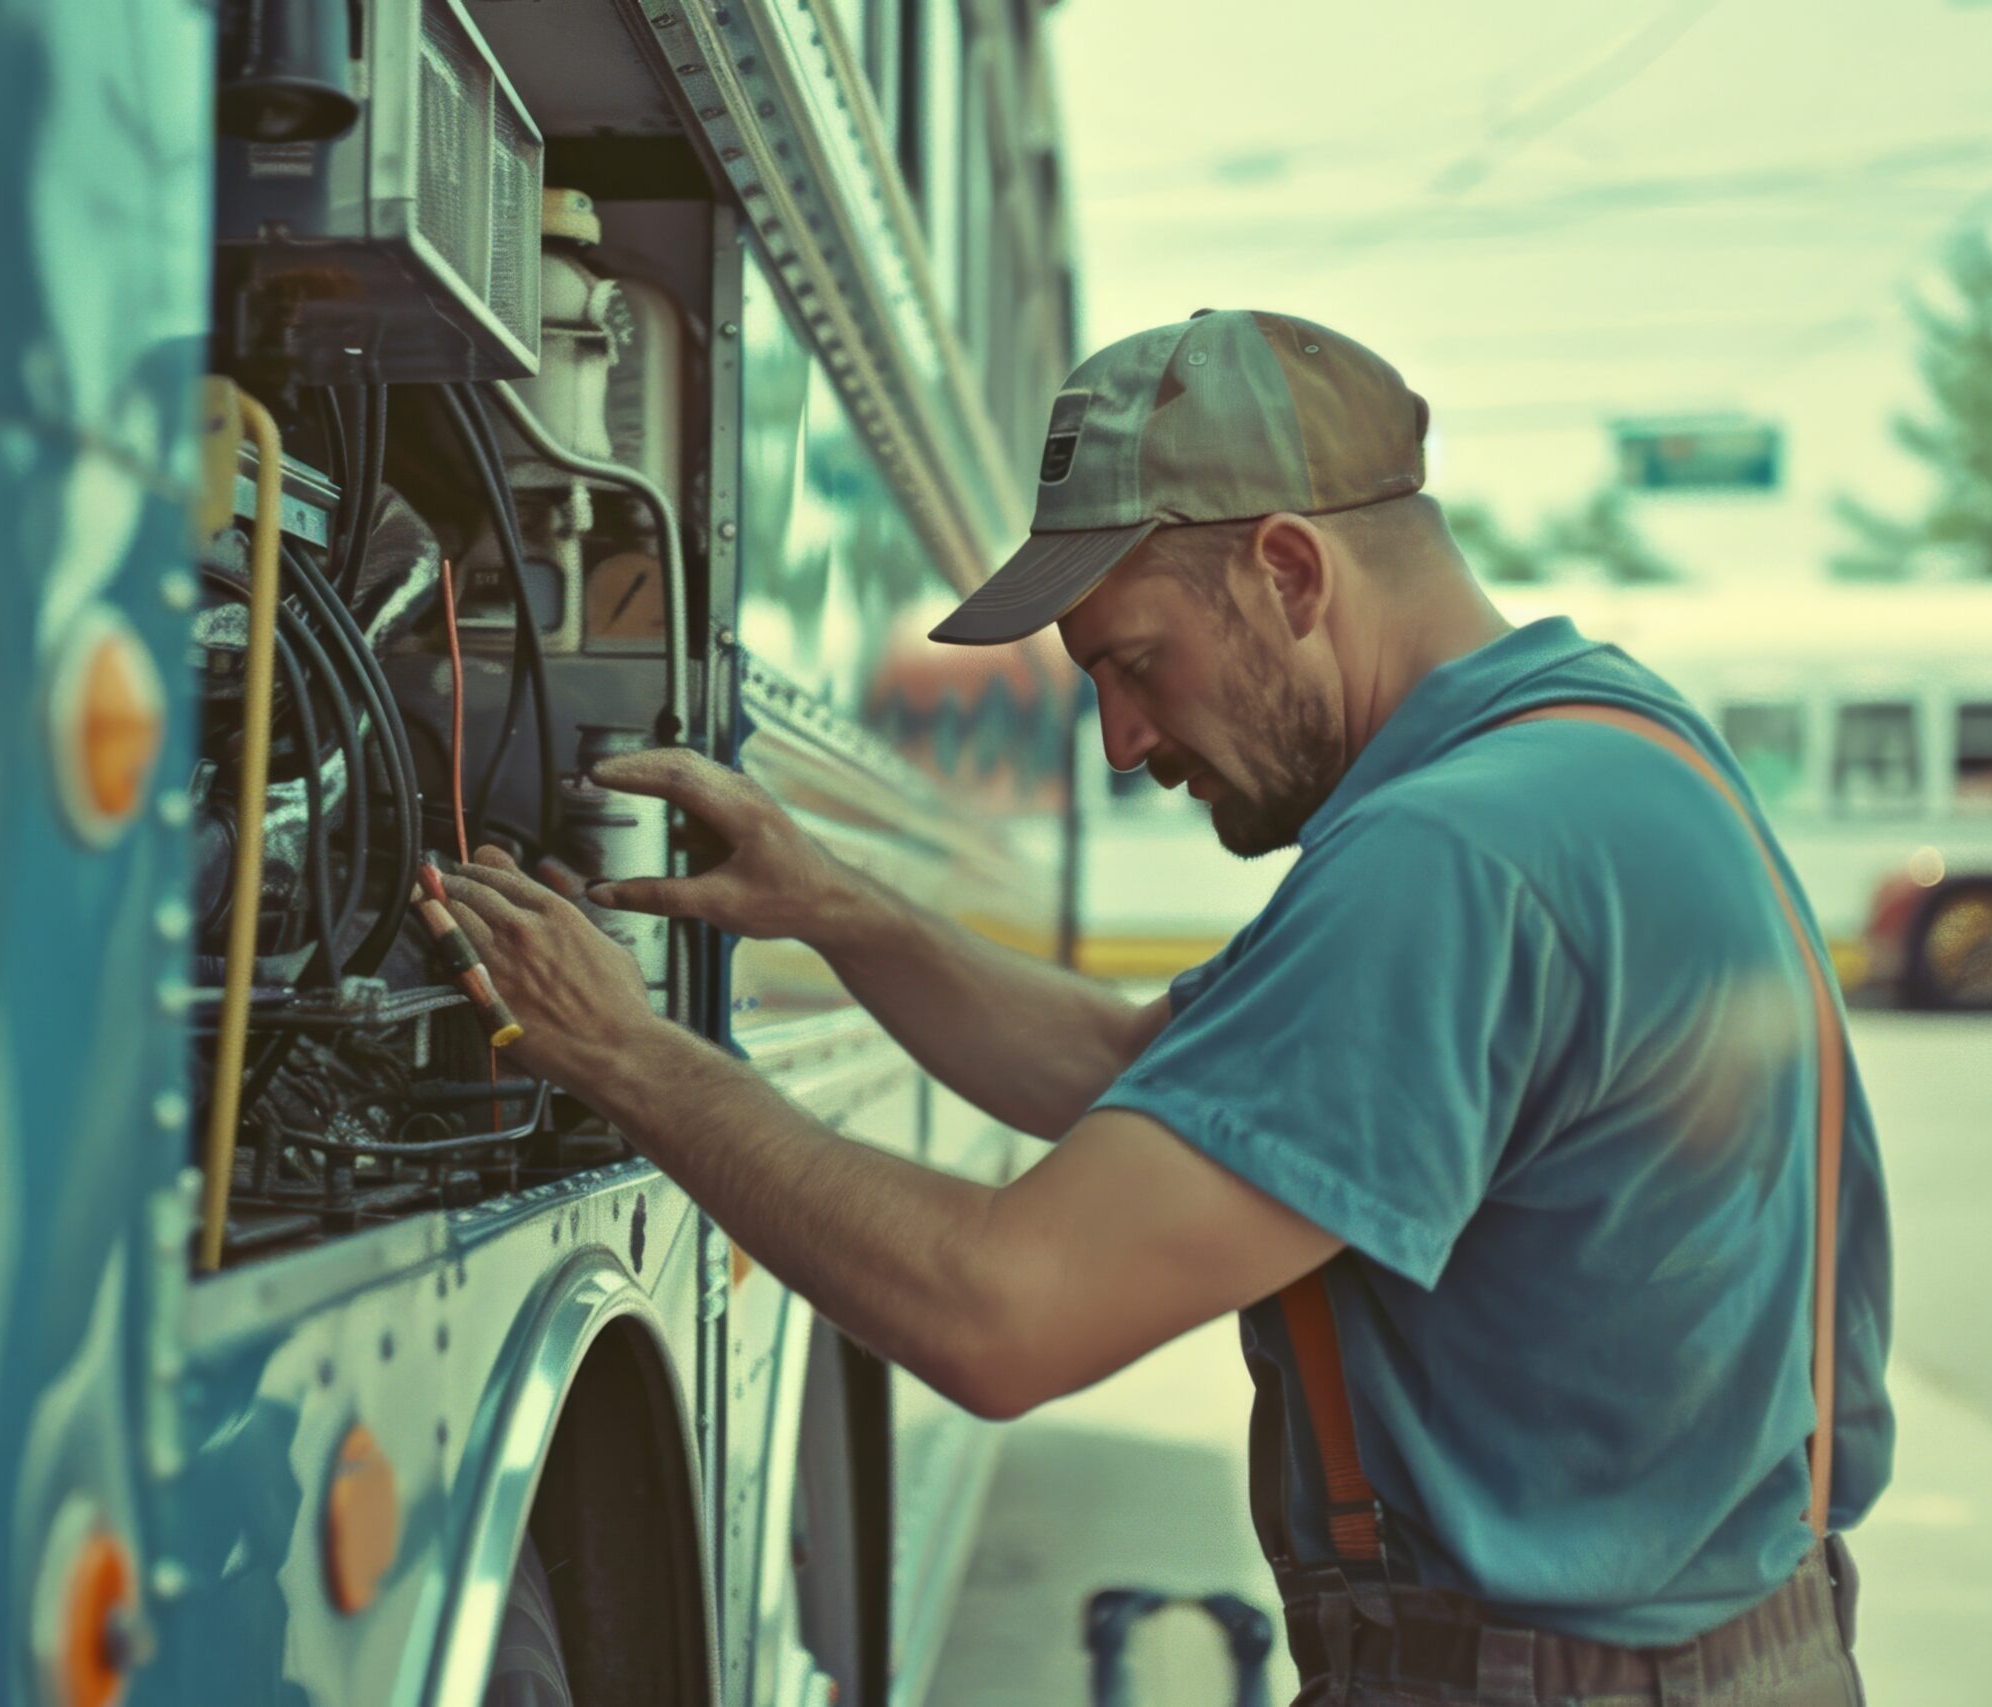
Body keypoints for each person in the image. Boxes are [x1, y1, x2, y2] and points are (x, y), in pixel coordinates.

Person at [438, 310, 1890, 1706]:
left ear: (1290, 573)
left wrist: (630, 1056)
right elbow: (1165, 1078)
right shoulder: (1608, 752)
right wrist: (840, 909)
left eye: (1136, 664)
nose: (1124, 741)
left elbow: (1000, 1314)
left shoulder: (1447, 861)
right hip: (1731, 1651)